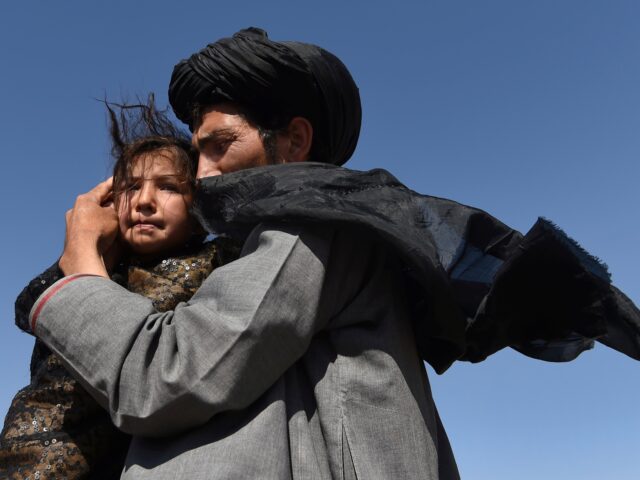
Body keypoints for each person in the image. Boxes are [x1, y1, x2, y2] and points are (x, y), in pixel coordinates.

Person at [25, 28, 639, 480]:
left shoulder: (312, 230)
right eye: (197, 153)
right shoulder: (256, 248)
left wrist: (79, 267)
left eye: (220, 147)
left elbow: (163, 378)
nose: (202, 175)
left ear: (294, 140)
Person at [0, 97, 239, 479]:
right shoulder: (102, 266)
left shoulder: (217, 261)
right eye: (130, 187)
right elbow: (27, 306)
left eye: (169, 188)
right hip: (26, 455)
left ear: (198, 212)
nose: (144, 201)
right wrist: (85, 245)